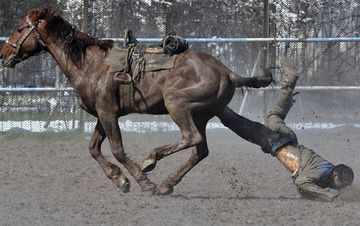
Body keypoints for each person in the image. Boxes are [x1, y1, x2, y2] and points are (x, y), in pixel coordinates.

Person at [217, 59, 354, 202]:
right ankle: (219, 108)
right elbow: (301, 182)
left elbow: (305, 187)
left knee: (274, 116)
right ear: (336, 175)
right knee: (249, 123)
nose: (341, 188)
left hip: (289, 142)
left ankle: (288, 90)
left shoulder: (327, 171)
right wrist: (327, 194)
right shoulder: (321, 172)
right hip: (278, 142)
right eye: (341, 185)